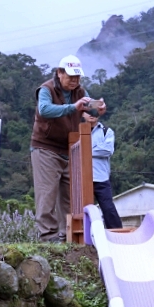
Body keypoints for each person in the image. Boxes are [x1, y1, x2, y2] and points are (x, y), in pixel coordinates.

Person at [30, 55, 106, 241]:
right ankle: (48, 236)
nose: (74, 81)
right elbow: (45, 110)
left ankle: (67, 235)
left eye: (77, 77)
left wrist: (99, 109)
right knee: (47, 193)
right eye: (71, 76)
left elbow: (89, 109)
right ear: (59, 73)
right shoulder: (46, 89)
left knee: (70, 195)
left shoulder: (80, 91)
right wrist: (73, 107)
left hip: (70, 149)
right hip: (46, 147)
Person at [82, 111, 122, 229]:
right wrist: (94, 149)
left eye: (94, 110)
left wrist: (85, 150)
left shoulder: (106, 131)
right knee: (82, 210)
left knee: (108, 208)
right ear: (82, 114)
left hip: (101, 177)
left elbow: (108, 150)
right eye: (88, 111)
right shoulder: (77, 132)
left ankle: (117, 235)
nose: (91, 113)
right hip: (82, 179)